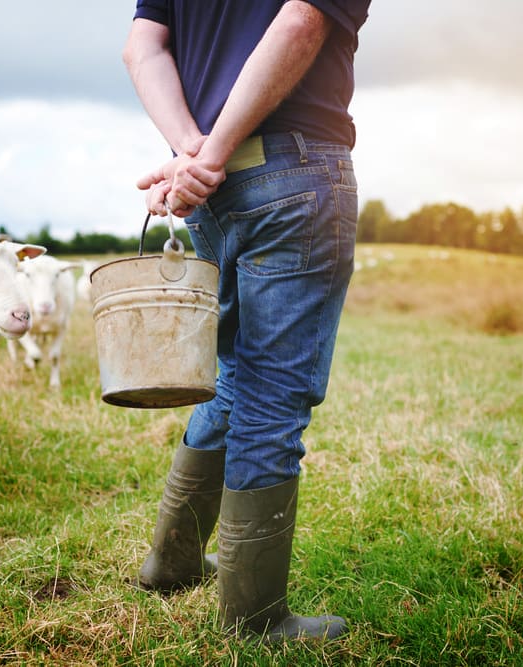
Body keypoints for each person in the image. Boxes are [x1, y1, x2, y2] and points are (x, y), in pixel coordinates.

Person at [123, 0, 371, 642]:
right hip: (292, 169)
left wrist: (193, 153)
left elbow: (142, 48)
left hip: (212, 188)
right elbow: (300, 22)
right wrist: (211, 154)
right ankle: (256, 618)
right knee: (271, 395)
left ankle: (171, 562)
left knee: (234, 378)